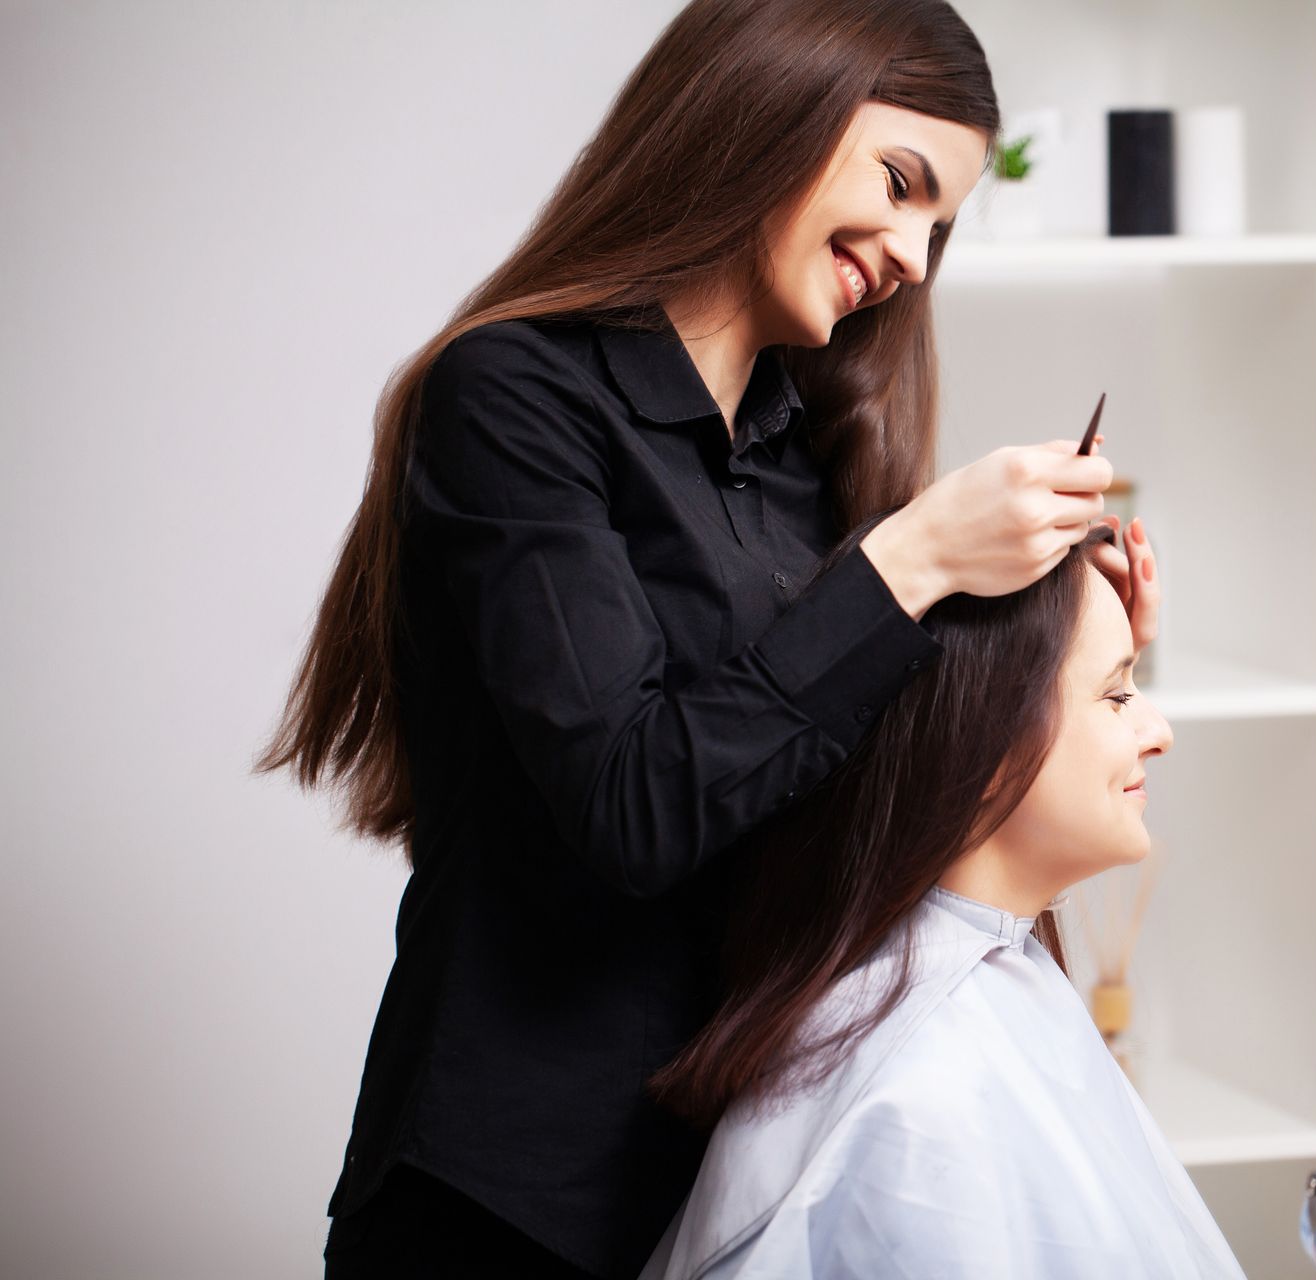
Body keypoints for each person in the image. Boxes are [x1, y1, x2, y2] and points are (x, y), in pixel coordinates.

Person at [252, 1, 1160, 1276]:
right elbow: (635, 805)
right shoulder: (514, 400)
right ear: (771, 106)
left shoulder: (815, 461)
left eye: (938, 226)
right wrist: (913, 559)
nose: (909, 251)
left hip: (750, 1173)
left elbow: (853, 803)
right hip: (510, 1199)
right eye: (899, 185)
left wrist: (1069, 667)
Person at [639, 526, 1241, 1279]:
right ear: (987, 745)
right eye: (1119, 693)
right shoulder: (921, 1115)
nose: (1160, 732)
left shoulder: (963, 987)